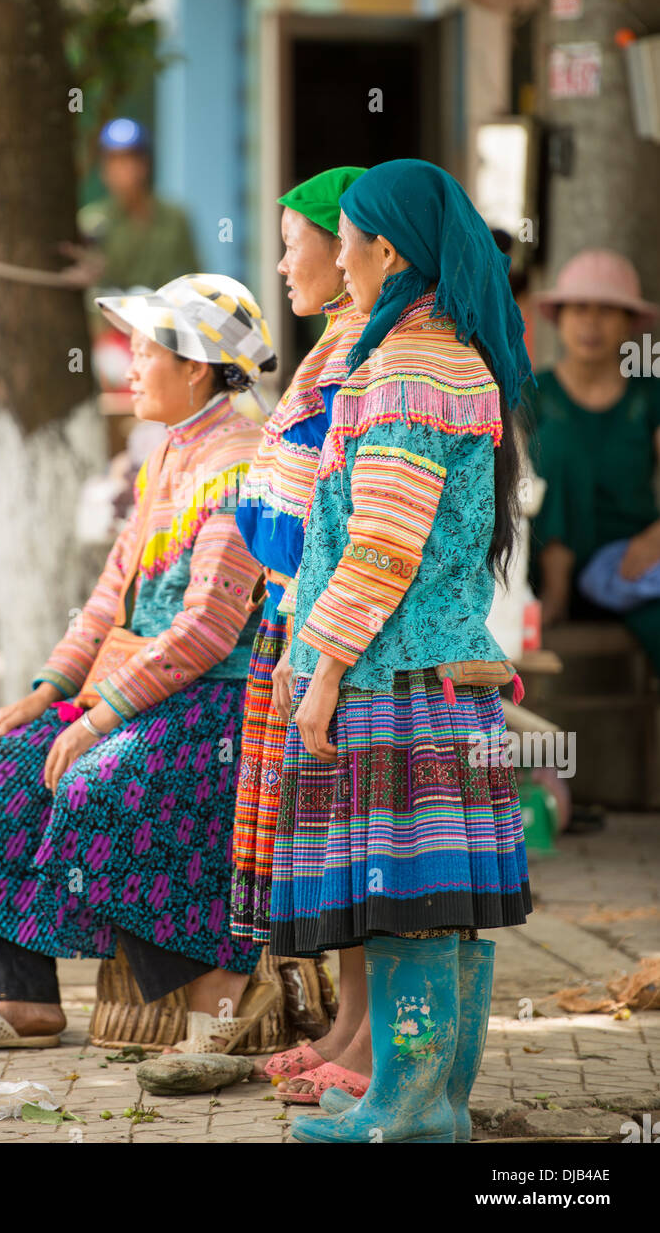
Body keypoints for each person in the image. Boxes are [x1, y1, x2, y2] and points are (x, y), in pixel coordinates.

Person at [0, 275, 280, 1052]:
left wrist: (100, 716)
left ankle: (214, 986)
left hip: (215, 704)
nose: (129, 366)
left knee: (97, 783)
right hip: (139, 693)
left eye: (144, 351)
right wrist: (49, 690)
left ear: (198, 367)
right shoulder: (167, 457)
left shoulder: (242, 465)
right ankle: (22, 1000)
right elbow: (107, 598)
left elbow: (207, 629)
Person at [269, 160, 534, 1143]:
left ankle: (407, 1112)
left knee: (407, 905)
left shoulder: (408, 370)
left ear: (387, 250)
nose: (335, 255)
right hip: (446, 681)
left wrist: (323, 669)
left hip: (394, 681)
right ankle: (429, 1103)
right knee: (439, 904)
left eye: (346, 238)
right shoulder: (450, 357)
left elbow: (381, 547)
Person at [228, 166, 374, 1093]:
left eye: (293, 243)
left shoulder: (370, 355)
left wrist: (317, 640)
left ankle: (367, 1047)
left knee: (362, 851)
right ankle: (351, 1030)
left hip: (333, 628)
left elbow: (349, 516)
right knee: (334, 846)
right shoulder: (334, 345)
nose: (282, 264)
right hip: (297, 617)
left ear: (350, 244)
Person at [522, 250, 660, 672]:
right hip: (544, 571)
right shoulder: (534, 394)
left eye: (607, 312)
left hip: (627, 564)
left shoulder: (648, 396)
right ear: (559, 318)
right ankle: (558, 584)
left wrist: (654, 539)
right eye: (579, 309)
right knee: (557, 442)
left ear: (630, 324)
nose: (591, 324)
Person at [81, 119, 200, 293]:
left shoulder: (175, 217)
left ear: (145, 164)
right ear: (104, 168)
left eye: (131, 159)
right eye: (114, 160)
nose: (124, 169)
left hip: (164, 316)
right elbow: (87, 286)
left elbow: (196, 279)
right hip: (108, 317)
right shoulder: (91, 220)